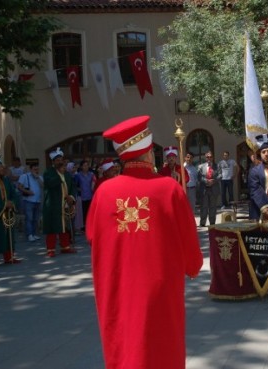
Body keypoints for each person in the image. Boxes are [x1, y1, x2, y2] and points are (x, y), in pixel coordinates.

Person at [86, 115, 203, 369]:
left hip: (117, 285)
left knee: (124, 343)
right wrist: (193, 265)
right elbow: (189, 239)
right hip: (160, 286)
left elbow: (91, 236)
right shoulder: (170, 189)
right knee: (162, 344)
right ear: (148, 152)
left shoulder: (103, 192)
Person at [43, 147, 77, 257]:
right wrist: (59, 177)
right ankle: (51, 249)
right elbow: (50, 184)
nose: (60, 162)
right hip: (52, 205)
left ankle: (65, 247)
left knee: (64, 226)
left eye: (61, 160)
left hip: (64, 205)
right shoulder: (48, 173)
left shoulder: (67, 174)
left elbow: (72, 187)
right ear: (53, 162)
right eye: (57, 160)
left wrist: (71, 197)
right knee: (52, 227)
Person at [17, 162, 43, 242]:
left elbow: (43, 186)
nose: (36, 170)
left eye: (37, 169)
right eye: (34, 169)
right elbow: (19, 186)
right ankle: (29, 234)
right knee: (29, 218)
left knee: (35, 218)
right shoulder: (24, 176)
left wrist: (37, 178)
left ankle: (34, 234)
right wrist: (27, 192)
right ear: (30, 169)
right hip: (28, 200)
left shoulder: (40, 177)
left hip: (37, 200)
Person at [197, 151, 221, 227]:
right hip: (204, 189)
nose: (209, 158)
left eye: (210, 157)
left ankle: (212, 223)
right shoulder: (201, 166)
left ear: (212, 157)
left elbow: (220, 175)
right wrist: (206, 181)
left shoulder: (217, 166)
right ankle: (202, 223)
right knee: (204, 207)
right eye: (207, 157)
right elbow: (199, 177)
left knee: (213, 207)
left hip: (214, 189)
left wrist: (213, 181)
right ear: (205, 157)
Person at [75, 160, 95, 231]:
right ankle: (83, 225)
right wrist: (78, 189)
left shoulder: (91, 174)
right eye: (84, 165)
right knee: (83, 212)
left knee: (89, 211)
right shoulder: (78, 175)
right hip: (82, 196)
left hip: (90, 195)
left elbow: (93, 184)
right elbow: (75, 185)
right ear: (81, 167)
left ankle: (89, 225)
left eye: (87, 165)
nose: (86, 167)